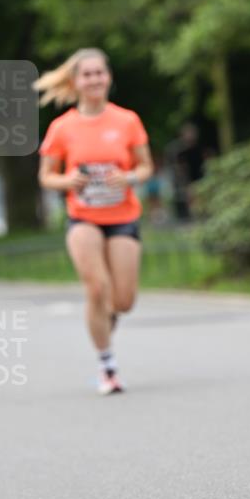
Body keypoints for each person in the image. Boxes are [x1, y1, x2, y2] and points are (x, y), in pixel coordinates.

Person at [36, 48, 154, 394]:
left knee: (123, 301)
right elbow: (46, 177)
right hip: (83, 217)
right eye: (86, 74)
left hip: (123, 216)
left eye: (99, 73)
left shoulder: (127, 120)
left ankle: (107, 319)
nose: (94, 79)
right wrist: (67, 181)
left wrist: (129, 178)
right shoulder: (62, 128)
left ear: (108, 77)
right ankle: (108, 367)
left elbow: (146, 166)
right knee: (96, 287)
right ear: (75, 82)